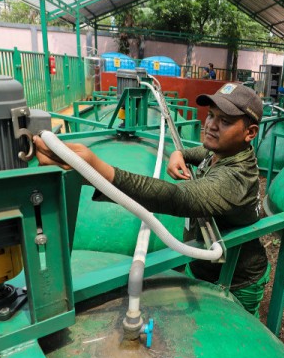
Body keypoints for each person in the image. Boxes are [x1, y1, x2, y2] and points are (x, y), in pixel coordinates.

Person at [33, 84, 269, 316]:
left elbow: (175, 197)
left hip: (235, 280)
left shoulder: (236, 179)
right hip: (202, 264)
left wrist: (98, 171)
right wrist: (178, 153)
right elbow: (198, 152)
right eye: (210, 116)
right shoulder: (224, 150)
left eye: (225, 121)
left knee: (234, 333)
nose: (211, 126)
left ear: (250, 133)